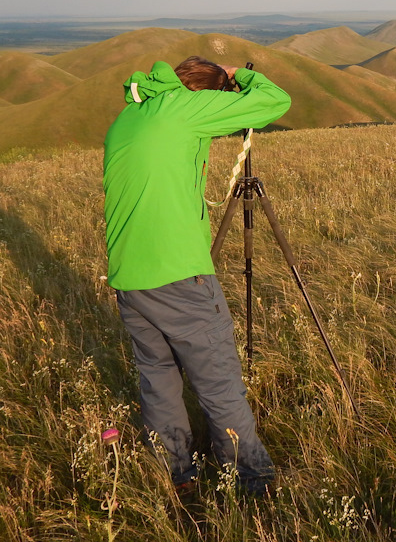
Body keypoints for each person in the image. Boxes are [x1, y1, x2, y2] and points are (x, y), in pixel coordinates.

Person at [103, 55, 291, 495]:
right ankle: (252, 480)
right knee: (219, 383)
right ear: (202, 94)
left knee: (158, 379)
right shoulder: (184, 108)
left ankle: (177, 476)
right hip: (179, 274)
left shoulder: (131, 115)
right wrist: (237, 75)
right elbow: (274, 101)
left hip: (130, 275)